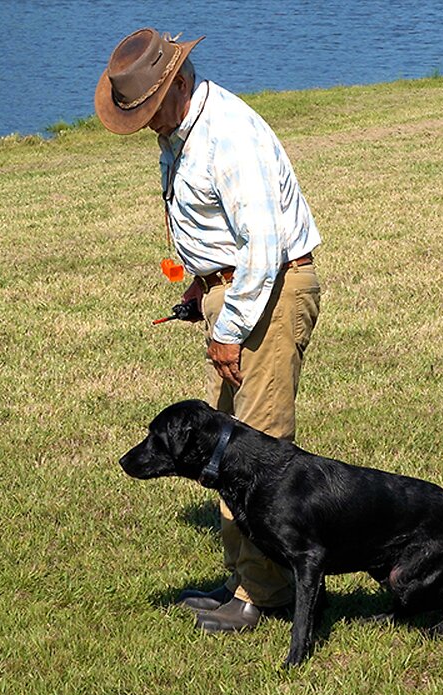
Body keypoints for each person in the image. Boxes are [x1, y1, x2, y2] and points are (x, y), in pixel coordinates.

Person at [95, 28, 323, 633]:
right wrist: (202, 285)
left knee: (255, 453)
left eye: (146, 110)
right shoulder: (183, 128)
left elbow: (265, 248)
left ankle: (261, 594)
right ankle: (243, 579)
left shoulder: (229, 136)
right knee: (224, 449)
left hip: (267, 295)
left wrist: (230, 326)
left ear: (172, 86)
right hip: (238, 289)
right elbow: (221, 228)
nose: (144, 124)